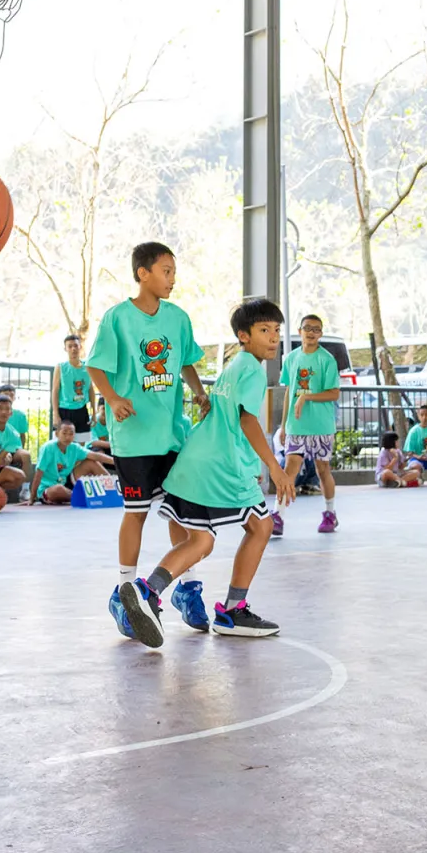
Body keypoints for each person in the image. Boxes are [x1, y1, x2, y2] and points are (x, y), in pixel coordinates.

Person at [115, 298, 294, 645]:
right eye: (264, 330)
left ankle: (147, 591)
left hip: (194, 460)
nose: (273, 338)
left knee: (200, 540)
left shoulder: (235, 365)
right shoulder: (253, 370)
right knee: (261, 527)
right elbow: (246, 419)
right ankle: (232, 610)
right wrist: (275, 466)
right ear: (243, 336)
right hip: (221, 467)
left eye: (277, 331)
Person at [87, 241, 211, 636]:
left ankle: (187, 588)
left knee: (181, 514)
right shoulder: (117, 319)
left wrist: (198, 391)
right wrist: (112, 398)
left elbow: (187, 361)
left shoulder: (177, 318)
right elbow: (96, 366)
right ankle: (124, 590)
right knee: (136, 512)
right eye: (166, 270)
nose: (172, 278)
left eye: (174, 271)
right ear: (143, 273)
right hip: (135, 437)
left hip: (173, 435)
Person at [278, 314, 342, 533]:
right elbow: (289, 391)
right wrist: (284, 423)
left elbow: (334, 393)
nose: (312, 332)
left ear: (321, 334)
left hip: (321, 426)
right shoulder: (291, 358)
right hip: (297, 425)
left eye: (316, 329)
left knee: (322, 469)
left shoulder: (327, 360)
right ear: (300, 331)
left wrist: (307, 397)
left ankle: (330, 513)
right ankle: (278, 515)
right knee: (290, 468)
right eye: (308, 328)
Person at [35, 418, 110, 504]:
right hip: (49, 489)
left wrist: (116, 461)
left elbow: (96, 456)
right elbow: (38, 473)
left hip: (66, 482)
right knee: (58, 489)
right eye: (64, 433)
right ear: (57, 434)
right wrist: (32, 497)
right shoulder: (48, 448)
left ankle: (113, 490)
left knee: (91, 462)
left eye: (71, 434)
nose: (67, 437)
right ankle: (85, 497)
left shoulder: (75, 447)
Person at [55, 334, 96, 441]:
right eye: (70, 346)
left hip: (81, 409)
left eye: (75, 346)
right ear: (65, 349)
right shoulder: (61, 367)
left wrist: (94, 412)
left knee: (82, 443)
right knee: (63, 443)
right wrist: (55, 413)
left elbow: (90, 389)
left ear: (80, 347)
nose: (73, 349)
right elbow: (55, 391)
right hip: (65, 409)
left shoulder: (87, 366)